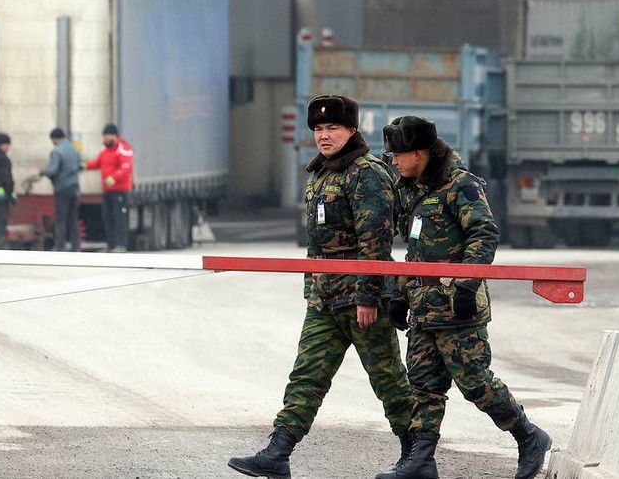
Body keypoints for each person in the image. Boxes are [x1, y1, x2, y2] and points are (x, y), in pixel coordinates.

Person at [228, 95, 414, 479]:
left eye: (332, 128)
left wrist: (368, 296)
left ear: (351, 130)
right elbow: (318, 243)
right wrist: (313, 287)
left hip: (363, 301)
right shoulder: (321, 172)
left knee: (389, 381)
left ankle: (416, 457)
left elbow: (375, 241)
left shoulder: (367, 173)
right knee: (307, 374)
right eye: (318, 129)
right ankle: (277, 453)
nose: (324, 136)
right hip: (325, 299)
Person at [377, 116, 551, 479]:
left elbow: (484, 233)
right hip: (424, 310)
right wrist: (397, 294)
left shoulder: (461, 185)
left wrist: (468, 285)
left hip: (459, 307)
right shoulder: (409, 187)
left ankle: (529, 437)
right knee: (422, 386)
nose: (393, 160)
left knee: (475, 383)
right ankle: (421, 460)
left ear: (420, 153)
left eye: (399, 154)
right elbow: (410, 251)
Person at [82, 123, 134, 252]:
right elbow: (97, 163)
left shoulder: (123, 149)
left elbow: (126, 168)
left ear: (115, 136)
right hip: (107, 191)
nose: (105, 139)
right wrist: (85, 165)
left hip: (120, 191)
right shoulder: (104, 151)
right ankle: (111, 245)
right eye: (104, 137)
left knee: (119, 218)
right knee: (108, 218)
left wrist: (114, 178)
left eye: (107, 136)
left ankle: (121, 245)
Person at [41, 128, 82, 251]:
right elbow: (80, 166)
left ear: (54, 139)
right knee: (73, 219)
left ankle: (60, 246)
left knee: (61, 219)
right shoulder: (74, 150)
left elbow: (53, 169)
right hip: (74, 187)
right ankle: (76, 246)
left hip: (62, 188)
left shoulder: (57, 151)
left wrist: (43, 172)